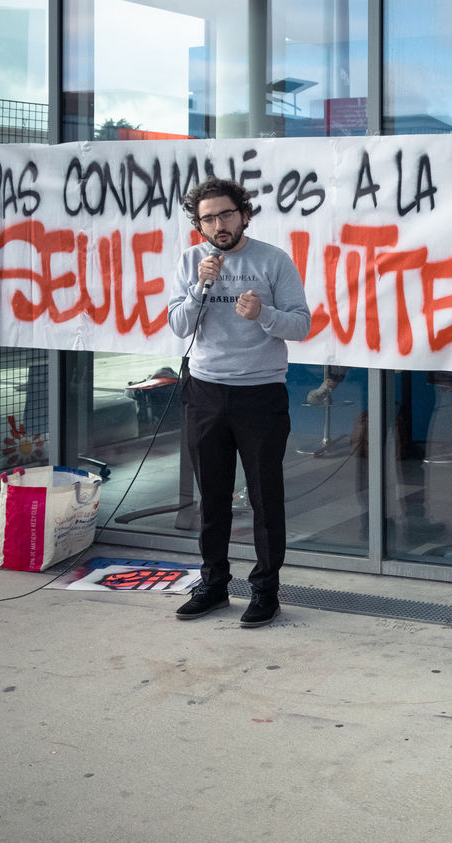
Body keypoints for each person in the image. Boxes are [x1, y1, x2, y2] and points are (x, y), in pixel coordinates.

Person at [167, 177, 313, 628]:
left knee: (265, 497)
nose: (219, 225)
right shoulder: (192, 262)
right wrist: (199, 288)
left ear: (244, 215)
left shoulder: (273, 260)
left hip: (260, 393)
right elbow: (178, 325)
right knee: (212, 497)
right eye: (208, 219)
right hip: (205, 391)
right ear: (199, 225)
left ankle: (265, 591)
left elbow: (301, 325)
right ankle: (213, 585)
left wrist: (263, 314)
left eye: (226, 214)